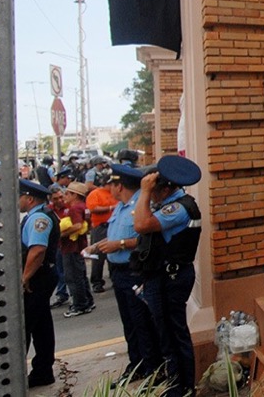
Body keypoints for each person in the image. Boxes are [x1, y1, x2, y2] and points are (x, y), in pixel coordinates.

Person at [84, 163, 162, 386]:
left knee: (142, 322)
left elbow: (148, 239)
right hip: (119, 272)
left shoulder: (141, 204)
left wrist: (119, 244)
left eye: (111, 184)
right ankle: (136, 364)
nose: (108, 187)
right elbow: (116, 233)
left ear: (120, 186)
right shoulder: (120, 206)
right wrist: (99, 245)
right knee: (129, 323)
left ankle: (151, 368)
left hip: (134, 271)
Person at [133, 155, 203, 397]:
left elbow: (141, 224)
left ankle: (182, 388)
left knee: (173, 335)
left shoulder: (178, 208)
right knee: (168, 334)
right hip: (163, 277)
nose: (150, 196)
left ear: (164, 189)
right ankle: (178, 385)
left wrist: (143, 192)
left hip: (170, 279)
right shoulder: (171, 204)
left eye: (152, 191)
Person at [19, 179, 60, 388]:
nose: (17, 201)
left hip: (38, 277)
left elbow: (37, 251)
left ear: (29, 198)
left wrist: (24, 278)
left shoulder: (39, 219)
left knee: (23, 325)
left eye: (19, 196)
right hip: (42, 275)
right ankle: (43, 371)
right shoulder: (38, 215)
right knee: (42, 326)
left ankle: (16, 375)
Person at [59, 182, 95, 318]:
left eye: (67, 193)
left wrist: (61, 233)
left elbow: (78, 225)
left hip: (71, 247)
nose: (65, 196)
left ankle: (80, 304)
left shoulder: (75, 208)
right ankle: (87, 301)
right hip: (80, 245)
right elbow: (87, 225)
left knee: (73, 277)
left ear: (75, 195)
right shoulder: (83, 207)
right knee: (80, 275)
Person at [87, 169, 116, 293]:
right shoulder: (96, 193)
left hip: (112, 225)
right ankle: (96, 281)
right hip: (100, 227)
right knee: (98, 255)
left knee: (113, 253)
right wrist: (110, 208)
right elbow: (93, 208)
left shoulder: (115, 194)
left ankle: (114, 278)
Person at [47, 184, 70, 309]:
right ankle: (62, 293)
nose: (59, 200)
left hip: (69, 244)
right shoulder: (48, 210)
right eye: (56, 198)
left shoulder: (69, 208)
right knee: (59, 270)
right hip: (56, 245)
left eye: (61, 197)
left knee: (72, 272)